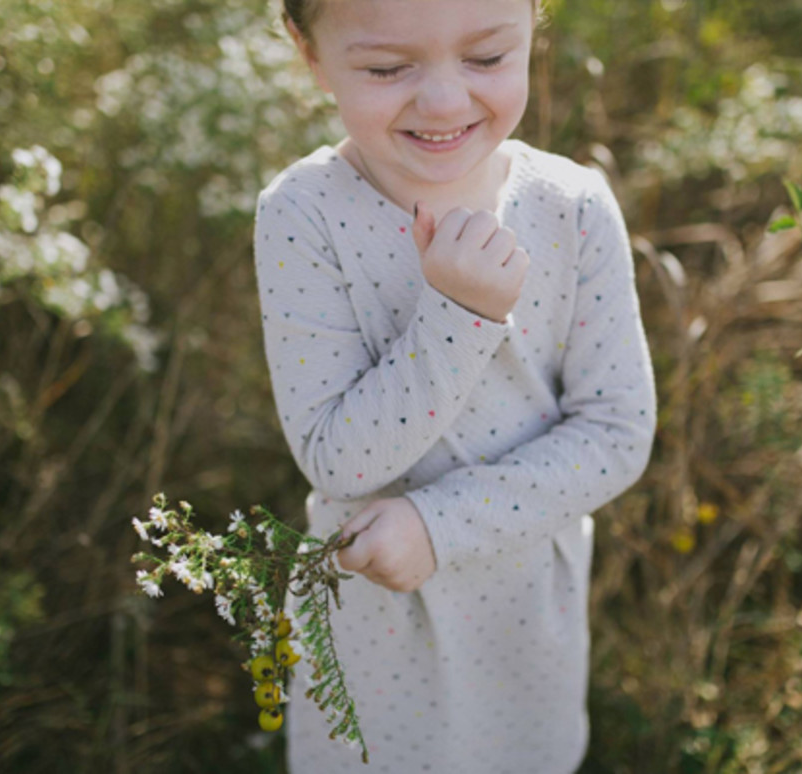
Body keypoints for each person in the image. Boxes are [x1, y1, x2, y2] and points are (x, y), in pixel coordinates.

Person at [251, 0, 657, 771]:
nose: (444, 102)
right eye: (386, 68)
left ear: (535, 28)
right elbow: (337, 458)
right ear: (310, 53)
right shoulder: (304, 215)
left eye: (486, 58)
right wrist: (460, 315)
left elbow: (617, 432)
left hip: (522, 614)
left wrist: (440, 526)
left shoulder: (569, 210)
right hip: (376, 622)